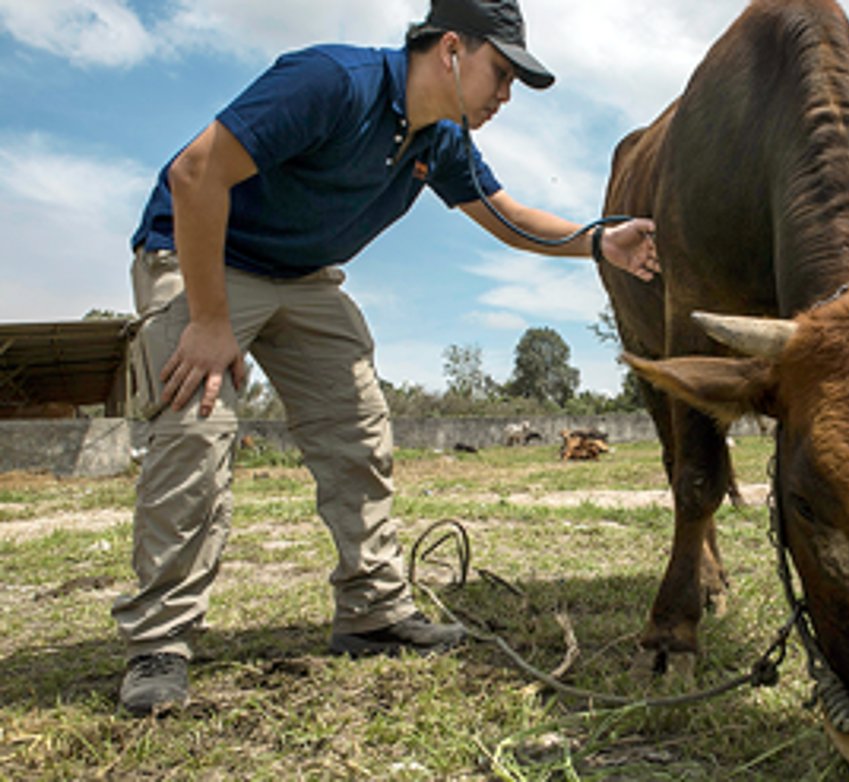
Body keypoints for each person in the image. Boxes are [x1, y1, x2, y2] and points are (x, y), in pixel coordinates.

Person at [113, 0, 659, 718]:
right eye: (501, 74)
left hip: (302, 277)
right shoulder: (332, 81)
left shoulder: (441, 141)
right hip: (206, 255)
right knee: (196, 427)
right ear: (453, 49)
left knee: (360, 430)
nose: (505, 97)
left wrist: (598, 239)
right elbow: (195, 173)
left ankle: (372, 612)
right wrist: (210, 321)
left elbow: (510, 217)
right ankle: (160, 643)